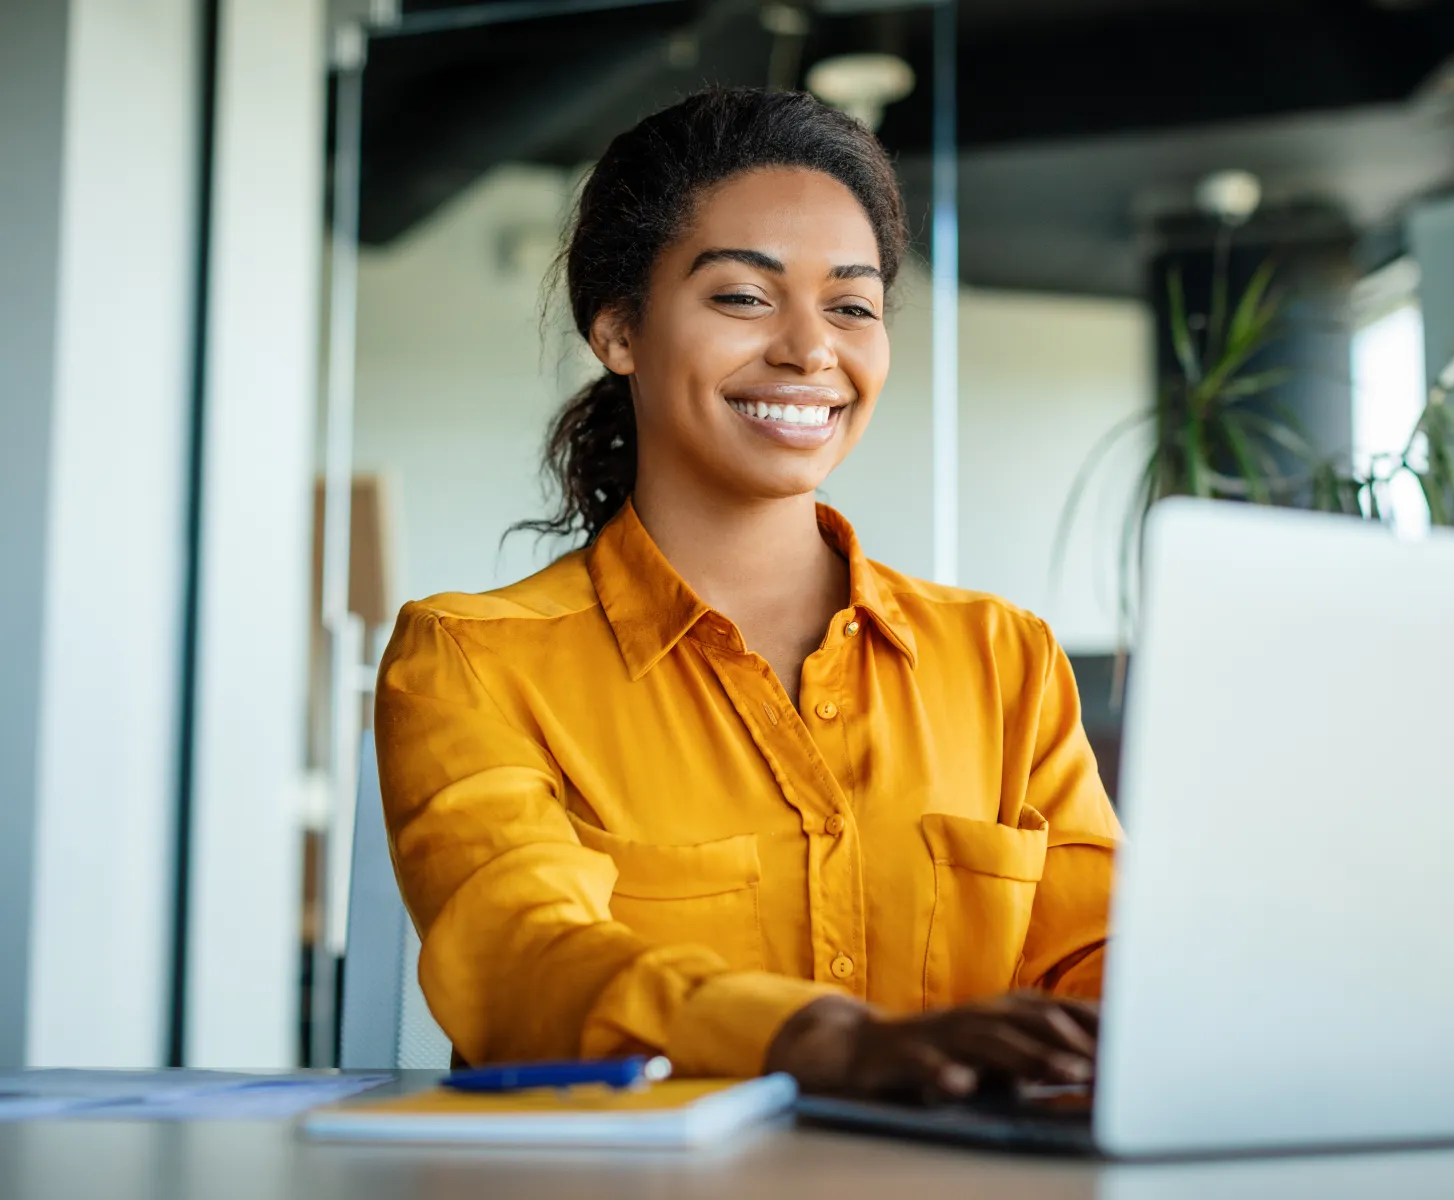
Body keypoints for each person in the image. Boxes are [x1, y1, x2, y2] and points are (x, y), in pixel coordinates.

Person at [376, 87, 1121, 1100]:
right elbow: (520, 959)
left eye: (851, 305)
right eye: (742, 296)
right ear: (618, 329)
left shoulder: (1001, 661)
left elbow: (1102, 959)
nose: (811, 350)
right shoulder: (471, 661)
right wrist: (820, 1042)